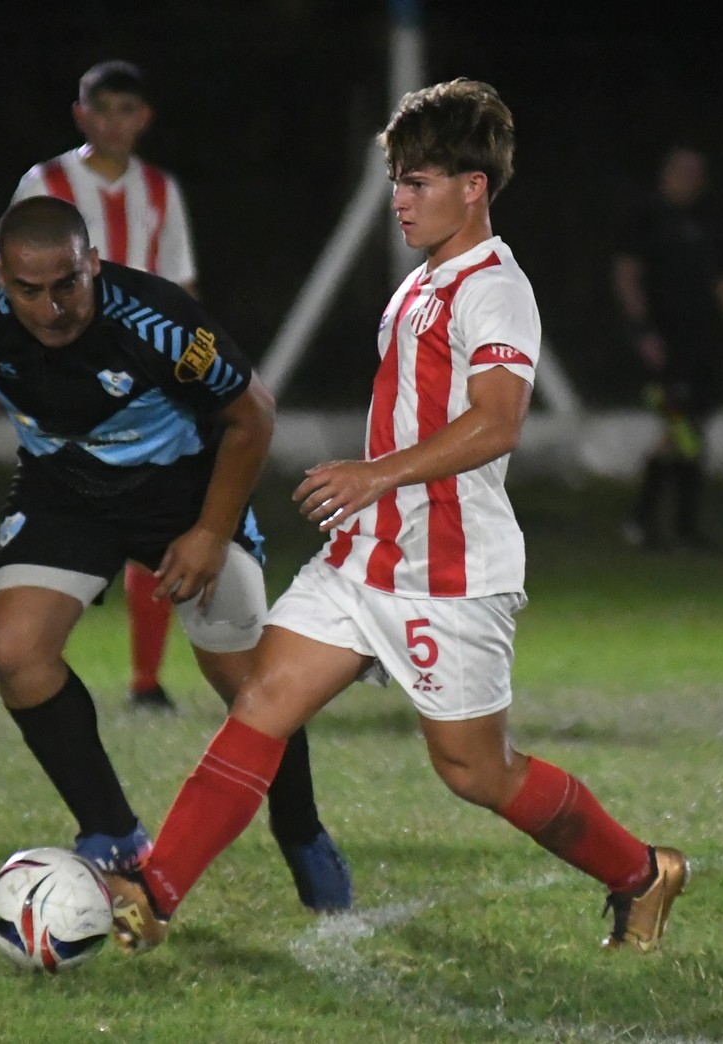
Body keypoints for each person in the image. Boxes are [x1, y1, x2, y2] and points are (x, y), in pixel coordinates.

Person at [105, 79, 687, 956]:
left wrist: (376, 474)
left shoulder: (494, 289)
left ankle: (641, 874)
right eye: (397, 181)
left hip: (449, 573)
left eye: (417, 182)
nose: (399, 200)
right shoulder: (421, 282)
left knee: (473, 771)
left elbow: (498, 422)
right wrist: (374, 496)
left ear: (473, 186)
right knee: (262, 702)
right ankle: (153, 896)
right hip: (364, 559)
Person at [0, 195, 352, 911]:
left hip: (183, 495)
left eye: (67, 283)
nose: (50, 307)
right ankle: (111, 830)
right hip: (63, 491)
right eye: (27, 290)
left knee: (253, 685)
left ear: (92, 263)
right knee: (14, 649)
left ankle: (301, 833)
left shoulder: (156, 323)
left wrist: (210, 534)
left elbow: (252, 414)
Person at [0, 59, 196, 711]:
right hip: (61, 368)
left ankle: (145, 682)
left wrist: (193, 369)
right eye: (103, 110)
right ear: (81, 115)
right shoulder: (45, 182)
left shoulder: (158, 190)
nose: (115, 122)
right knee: (67, 502)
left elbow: (178, 286)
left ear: (143, 118)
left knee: (154, 514)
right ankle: (33, 655)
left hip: (145, 375)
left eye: (127, 111)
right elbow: (0, 274)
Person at [613, 146, 723, 552]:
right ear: (666, 174)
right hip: (663, 344)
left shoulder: (707, 223)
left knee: (692, 431)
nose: (691, 180)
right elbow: (627, 274)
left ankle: (669, 527)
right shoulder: (646, 217)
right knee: (679, 428)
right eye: (683, 171)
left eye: (697, 173)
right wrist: (641, 330)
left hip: (700, 343)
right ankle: (651, 522)